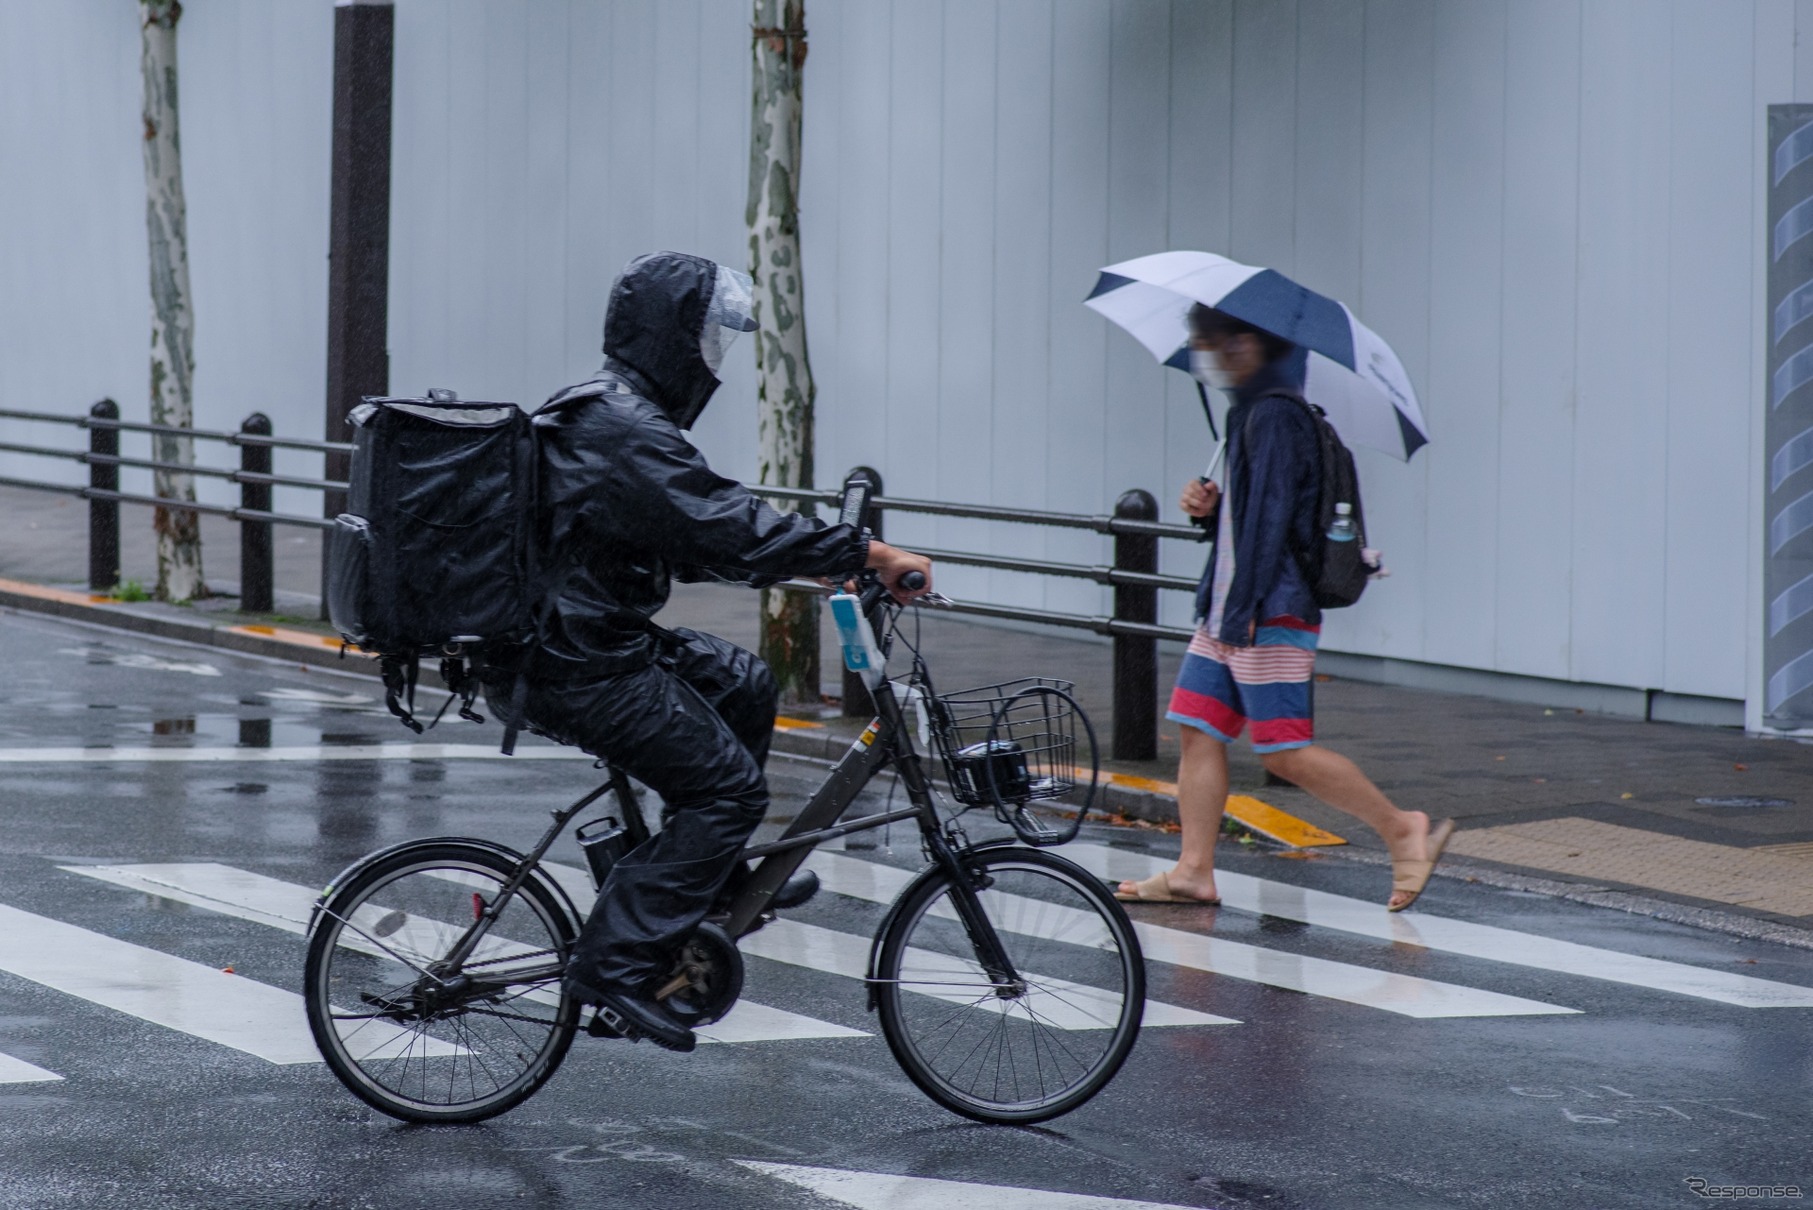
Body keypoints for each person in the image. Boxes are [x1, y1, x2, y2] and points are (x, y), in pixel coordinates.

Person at [496, 251, 931, 1051]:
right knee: (726, 793)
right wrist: (863, 552)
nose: (712, 358)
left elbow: (681, 534)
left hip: (584, 637)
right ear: (670, 338)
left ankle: (707, 876)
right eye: (707, 338)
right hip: (575, 660)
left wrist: (798, 553)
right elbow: (723, 523)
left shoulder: (615, 414)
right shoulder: (621, 426)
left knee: (743, 680)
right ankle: (616, 964)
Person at [1116, 304, 1451, 912]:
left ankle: (1402, 827)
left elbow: (1272, 526)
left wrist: (1242, 615)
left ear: (1245, 343)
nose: (1206, 357)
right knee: (1197, 730)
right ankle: (1194, 870)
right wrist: (1210, 509)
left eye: (1211, 344)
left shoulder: (1272, 415)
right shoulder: (1252, 411)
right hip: (1231, 611)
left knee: (1283, 748)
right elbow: (1255, 520)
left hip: (1261, 613)